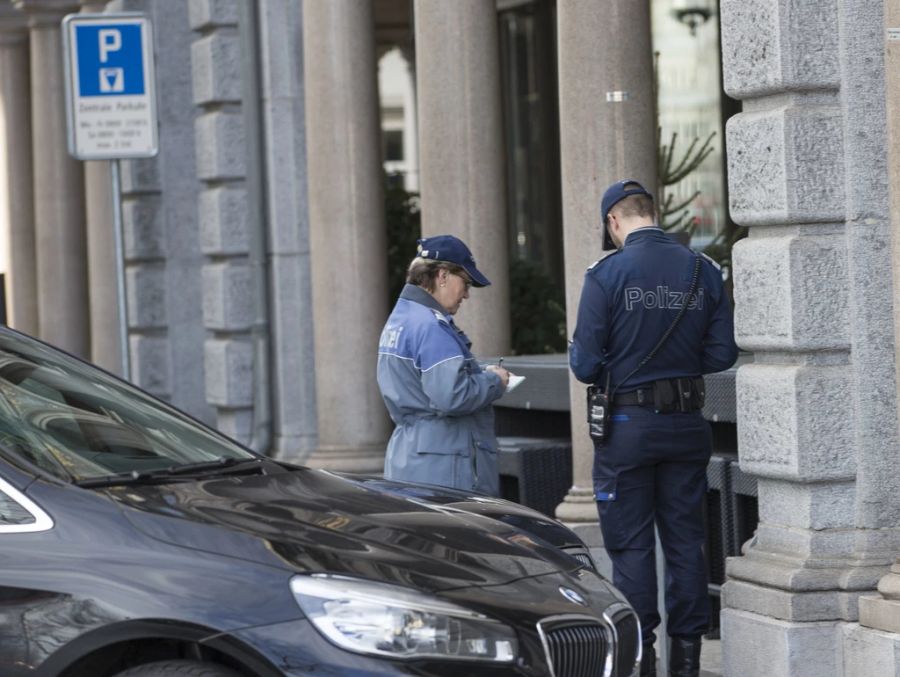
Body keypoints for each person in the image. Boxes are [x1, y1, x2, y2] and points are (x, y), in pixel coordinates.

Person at [569, 179, 739, 677]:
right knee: (687, 542)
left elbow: (583, 363)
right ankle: (687, 662)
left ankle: (642, 660)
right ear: (652, 214)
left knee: (632, 547)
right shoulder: (702, 269)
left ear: (614, 222)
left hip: (627, 426)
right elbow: (722, 353)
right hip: (687, 424)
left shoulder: (606, 274)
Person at [377, 234, 511, 495]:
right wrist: (495, 381)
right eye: (466, 283)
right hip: (445, 467)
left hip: (411, 457)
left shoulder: (400, 319)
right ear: (442, 276)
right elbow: (453, 396)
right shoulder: (430, 326)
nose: (467, 295)